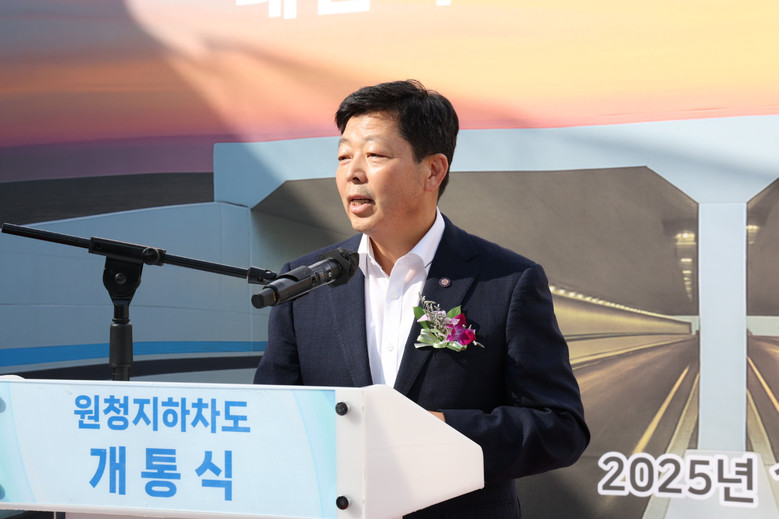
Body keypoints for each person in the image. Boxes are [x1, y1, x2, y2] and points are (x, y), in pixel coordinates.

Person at [254, 79, 589, 518]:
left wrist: (442, 430)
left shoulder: (506, 280)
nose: (353, 172)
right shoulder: (305, 283)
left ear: (433, 171)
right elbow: (272, 418)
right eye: (343, 156)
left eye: (374, 155)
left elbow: (559, 428)